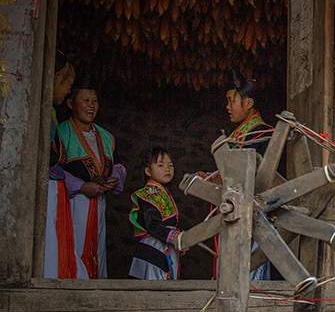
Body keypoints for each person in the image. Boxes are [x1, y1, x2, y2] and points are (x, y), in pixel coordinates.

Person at [196, 72, 276, 280]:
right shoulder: (238, 135)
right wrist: (213, 179)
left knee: (249, 270)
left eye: (232, 101)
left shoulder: (263, 135)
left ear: (248, 103)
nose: (228, 107)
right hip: (234, 210)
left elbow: (258, 178)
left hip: (253, 212)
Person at [58, 76, 126, 279]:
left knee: (98, 251)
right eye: (85, 100)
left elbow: (119, 165)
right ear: (70, 104)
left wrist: (114, 177)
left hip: (98, 204)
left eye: (94, 100)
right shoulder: (62, 133)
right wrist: (81, 186)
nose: (91, 106)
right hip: (71, 203)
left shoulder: (106, 136)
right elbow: (52, 169)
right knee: (72, 247)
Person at [43, 50, 78, 278]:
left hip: (56, 187)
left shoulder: (52, 112)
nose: (68, 91)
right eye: (67, 84)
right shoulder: (45, 112)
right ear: (56, 78)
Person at [129, 147, 183, 280]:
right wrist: (176, 238)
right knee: (155, 285)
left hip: (165, 245)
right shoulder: (148, 194)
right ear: (148, 171)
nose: (167, 169)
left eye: (170, 165)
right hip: (154, 249)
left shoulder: (163, 193)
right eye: (160, 165)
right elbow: (152, 225)